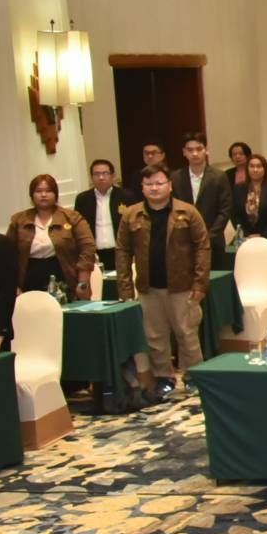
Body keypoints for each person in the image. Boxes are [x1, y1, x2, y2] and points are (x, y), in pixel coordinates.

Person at [116, 165, 210, 399]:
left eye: (159, 183)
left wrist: (200, 283)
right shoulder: (131, 215)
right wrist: (125, 288)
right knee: (154, 336)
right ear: (142, 188)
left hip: (182, 285)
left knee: (187, 333)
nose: (154, 188)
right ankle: (164, 378)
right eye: (149, 184)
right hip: (148, 286)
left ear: (169, 185)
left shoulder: (187, 212)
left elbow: (203, 247)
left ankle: (194, 376)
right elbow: (122, 251)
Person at [8, 175, 94, 296]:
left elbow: (87, 248)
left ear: (56, 194)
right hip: (29, 278)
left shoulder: (72, 217)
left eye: (48, 191)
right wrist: (13, 286)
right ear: (32, 195)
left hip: (64, 276)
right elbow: (7, 254)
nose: (43, 195)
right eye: (38, 191)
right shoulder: (19, 220)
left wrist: (83, 282)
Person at [173, 131, 233, 270]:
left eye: (199, 149)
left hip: (213, 242)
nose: (195, 153)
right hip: (184, 243)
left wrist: (209, 236)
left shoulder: (219, 176)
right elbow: (173, 209)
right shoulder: (175, 177)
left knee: (215, 279)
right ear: (184, 152)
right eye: (190, 150)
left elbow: (225, 210)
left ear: (206, 150)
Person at [75, 159, 132, 271]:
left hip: (121, 252)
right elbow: (78, 229)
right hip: (94, 255)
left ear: (113, 176)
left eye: (105, 173)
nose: (101, 177)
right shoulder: (82, 199)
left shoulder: (126, 196)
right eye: (96, 174)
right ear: (91, 177)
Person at [233, 155, 267, 241]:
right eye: (252, 166)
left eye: (259, 166)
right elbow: (235, 215)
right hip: (247, 238)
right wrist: (246, 234)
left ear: (265, 169)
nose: (255, 170)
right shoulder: (239, 188)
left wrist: (263, 235)